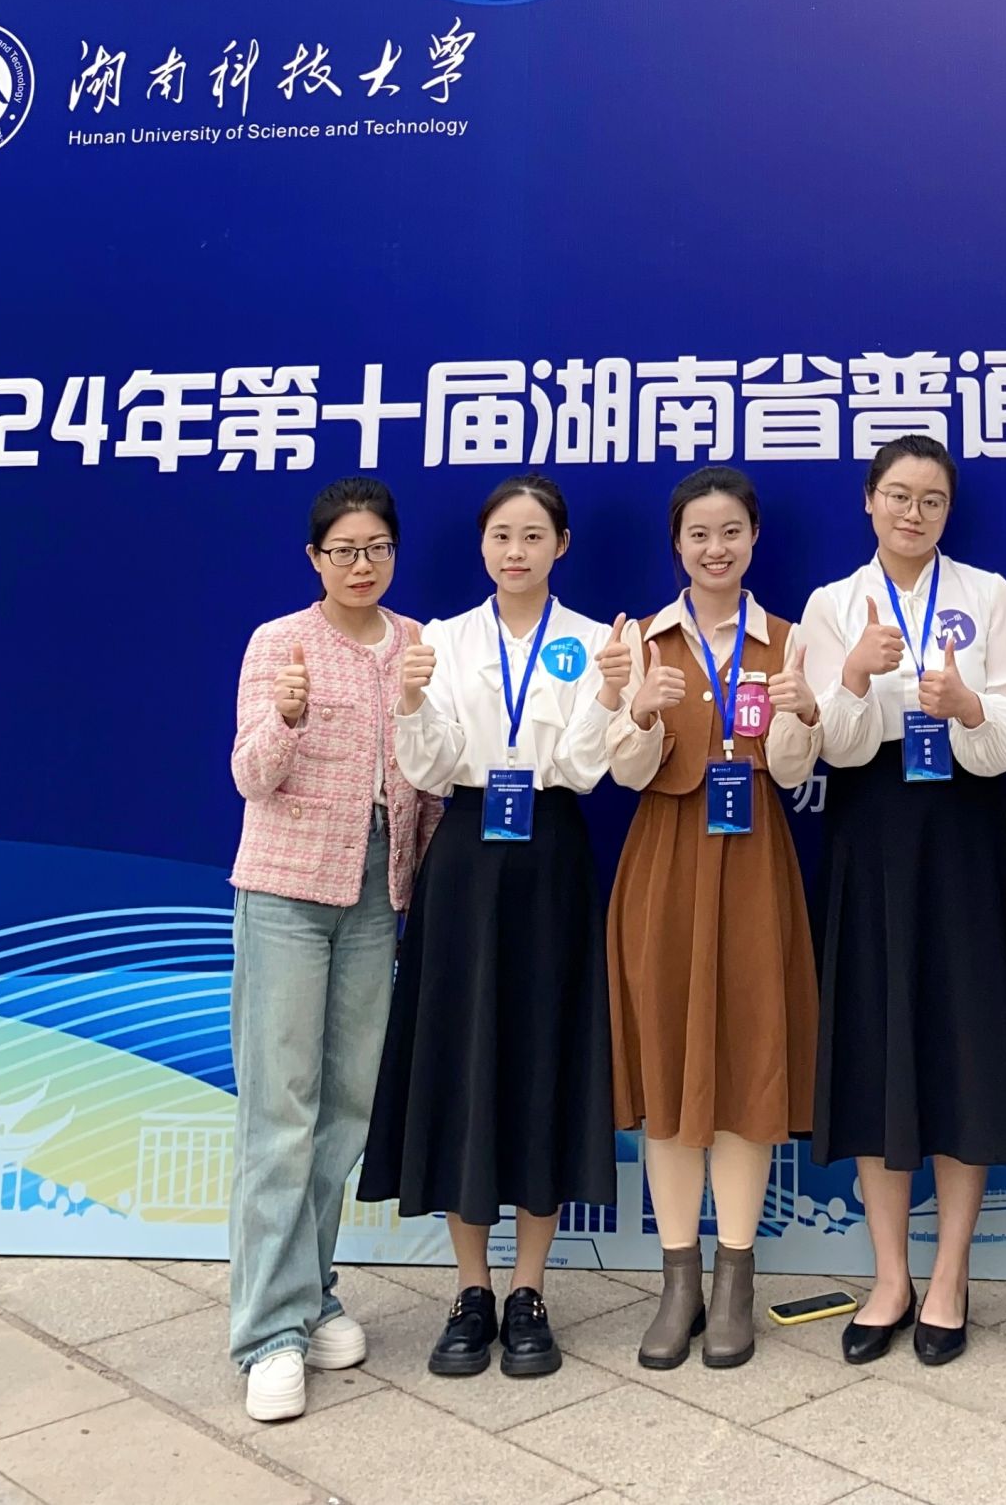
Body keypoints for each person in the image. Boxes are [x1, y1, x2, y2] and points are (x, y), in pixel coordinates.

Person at [358, 475, 620, 1382]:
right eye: (502, 535)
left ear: (562, 545)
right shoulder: (439, 640)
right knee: (462, 1057)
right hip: (467, 857)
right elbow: (427, 767)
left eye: (534, 535)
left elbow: (581, 769)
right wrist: (411, 702)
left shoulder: (593, 640)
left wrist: (610, 697)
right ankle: (470, 1289)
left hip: (552, 856)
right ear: (482, 546)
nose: (517, 551)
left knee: (544, 1056)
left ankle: (529, 1289)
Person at [792, 434, 1006, 1367]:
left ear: (948, 511)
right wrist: (856, 674)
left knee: (962, 1044)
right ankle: (890, 1275)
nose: (913, 512)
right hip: (870, 832)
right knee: (876, 1044)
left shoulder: (989, 595)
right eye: (897, 495)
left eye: (931, 499)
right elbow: (832, 744)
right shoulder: (830, 604)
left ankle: (950, 1275)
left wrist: (970, 707)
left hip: (963, 836)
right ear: (868, 501)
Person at [226, 477, 441, 1423]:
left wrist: (421, 882)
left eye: (377, 547)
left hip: (375, 892)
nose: (362, 564)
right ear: (315, 559)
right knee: (281, 1109)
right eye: (344, 550)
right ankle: (268, 1331)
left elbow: (427, 775)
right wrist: (286, 717)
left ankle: (311, 1295)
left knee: (346, 1109)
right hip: (286, 888)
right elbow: (249, 774)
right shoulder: (280, 641)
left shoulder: (416, 642)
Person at [602, 469, 819, 1370]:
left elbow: (796, 771)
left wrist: (803, 713)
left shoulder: (788, 640)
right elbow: (621, 771)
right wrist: (640, 714)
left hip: (755, 861)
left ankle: (735, 1277)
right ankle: (678, 1279)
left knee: (745, 1061)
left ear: (754, 537)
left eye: (731, 531)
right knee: (666, 1066)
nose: (715, 548)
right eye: (699, 533)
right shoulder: (641, 640)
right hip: (665, 860)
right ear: (677, 544)